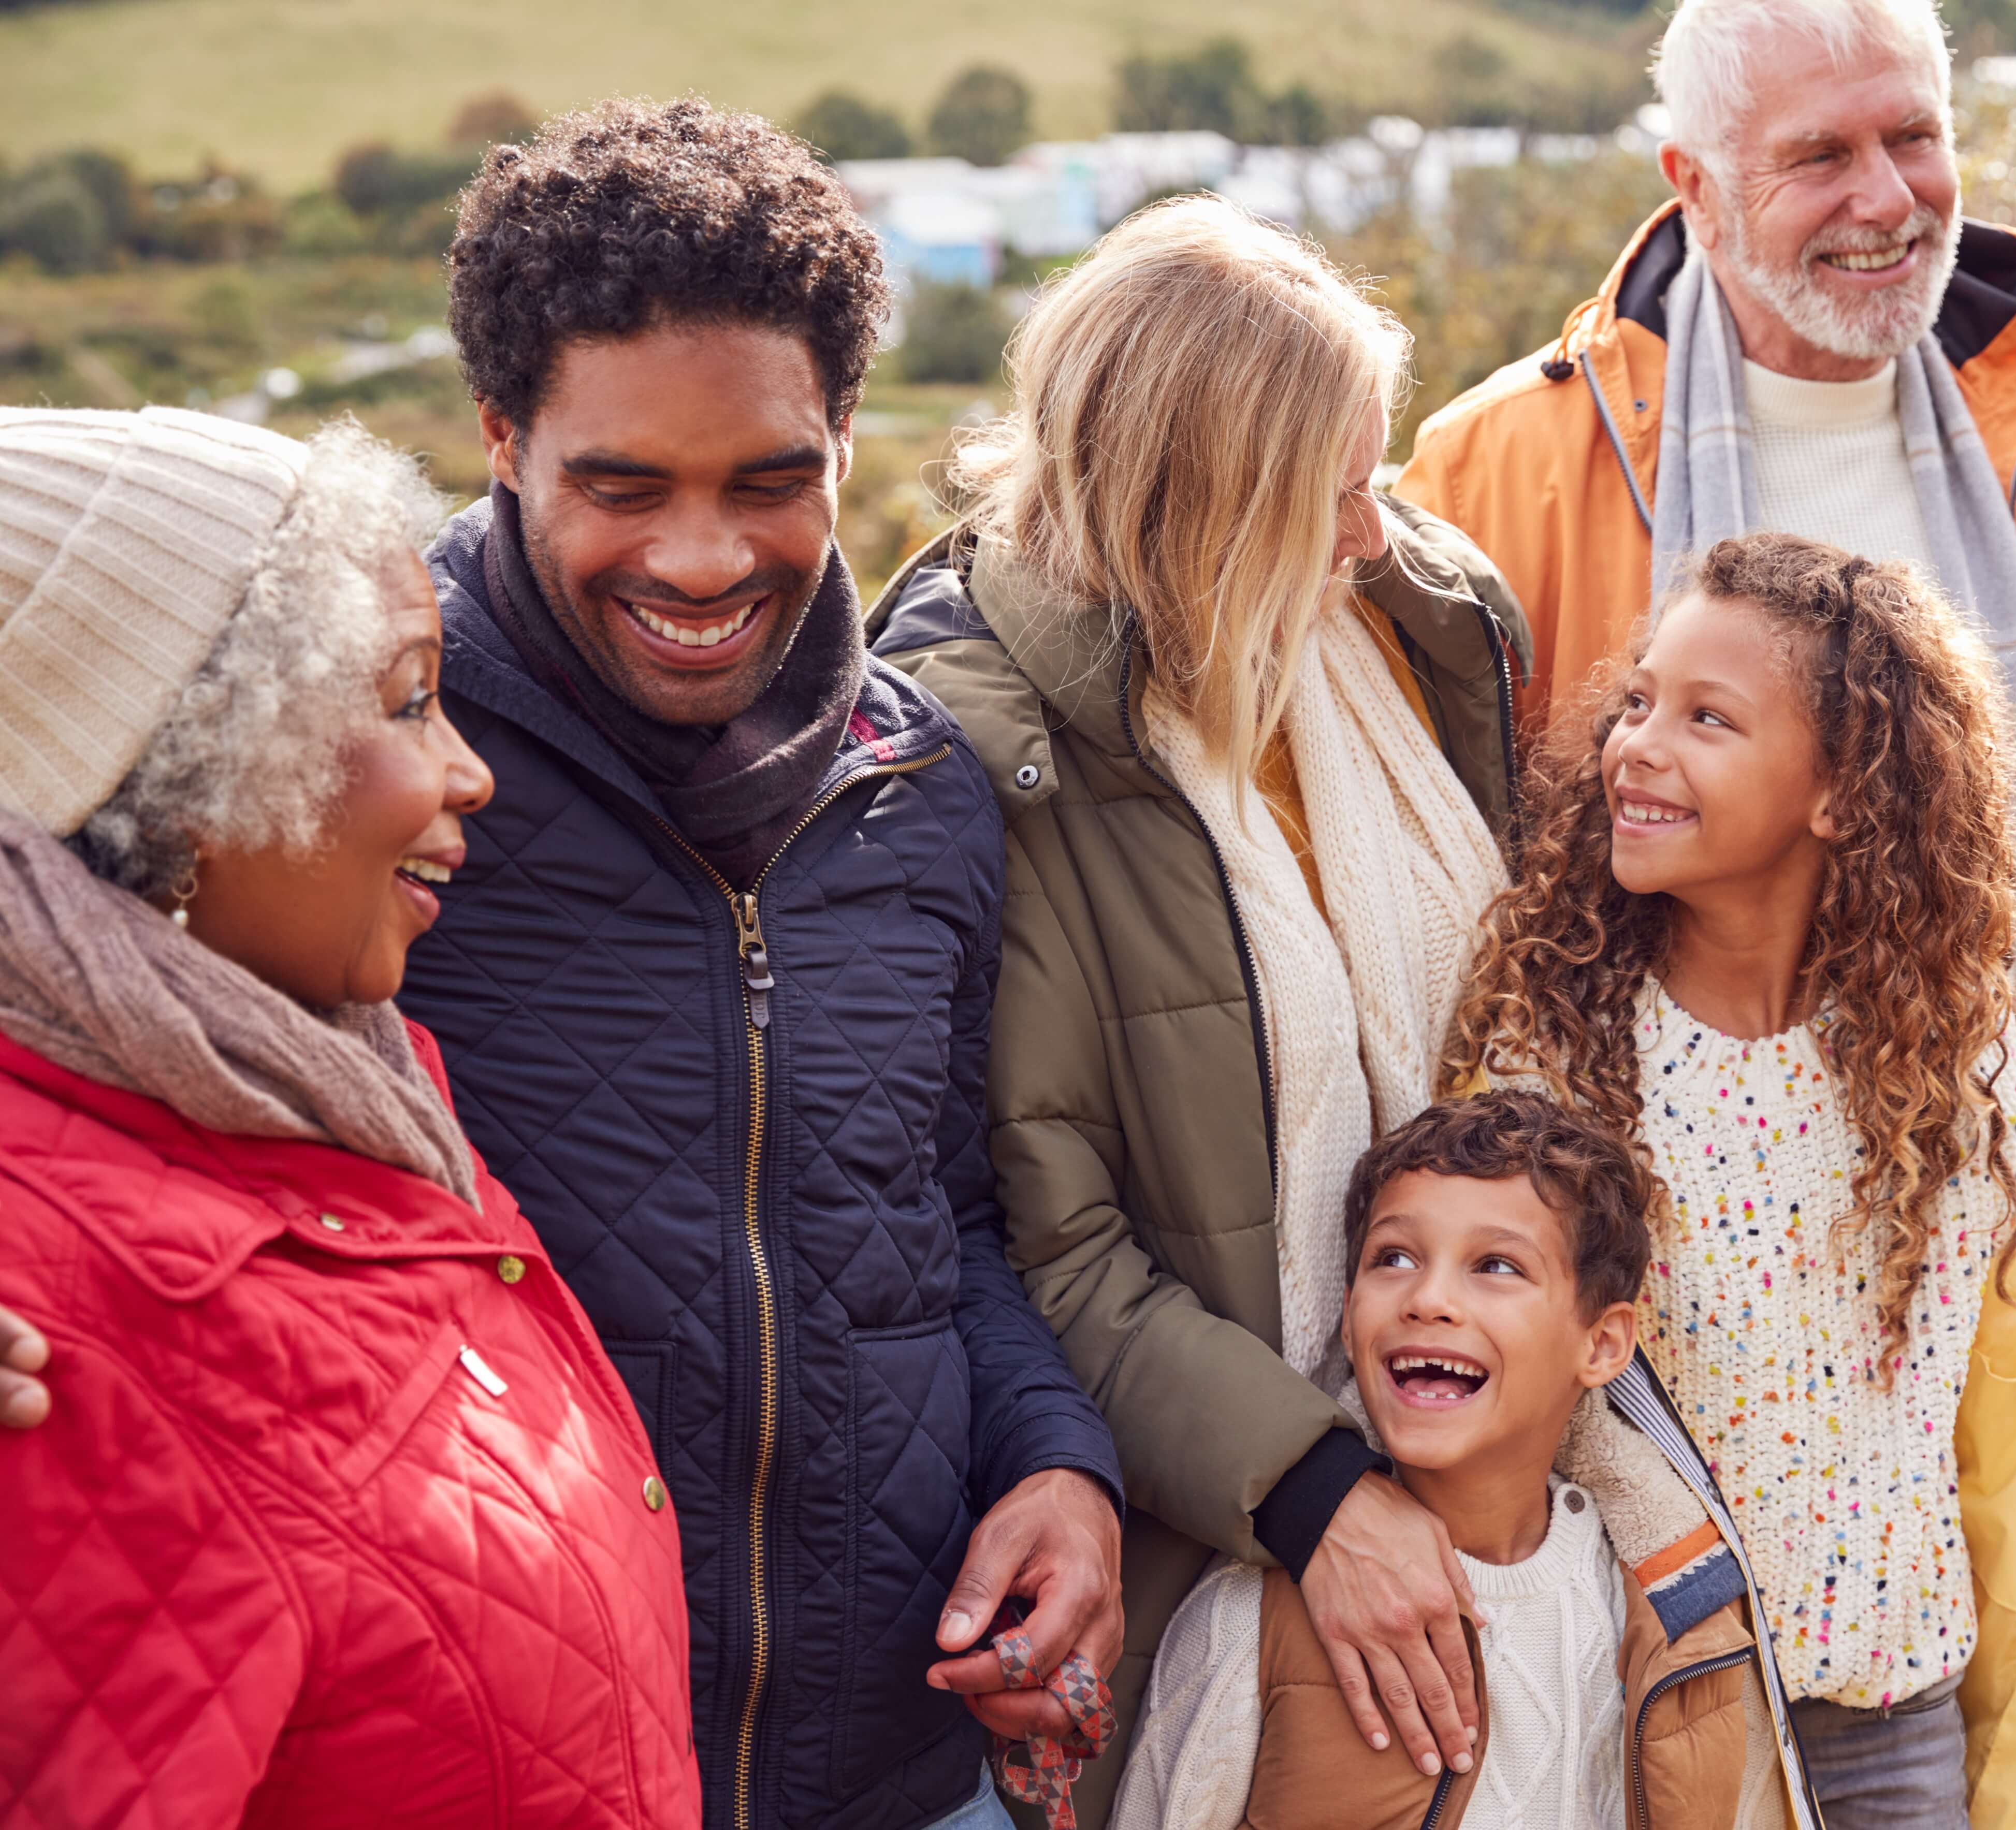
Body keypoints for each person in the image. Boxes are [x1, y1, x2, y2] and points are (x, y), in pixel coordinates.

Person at [1389, 0, 2016, 1818]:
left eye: (1913, 136)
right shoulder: (1505, 466)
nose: (1889, 197)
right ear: (1694, 186)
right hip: (1686, 1372)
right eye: (1819, 154)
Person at [401, 100, 1122, 1830]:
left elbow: (935, 1223)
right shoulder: (372, 775)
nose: (706, 558)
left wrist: (1058, 1466)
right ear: (503, 438)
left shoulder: (924, 789)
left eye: (771, 481)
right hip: (521, 1777)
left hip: (904, 1778)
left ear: (846, 436)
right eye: (622, 485)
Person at [862, 196, 1527, 1817]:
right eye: (1334, 491)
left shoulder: (1410, 628)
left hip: (1481, 1430)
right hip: (1199, 1525)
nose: (1377, 530)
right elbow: (1038, 1238)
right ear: (1200, 507)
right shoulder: (977, 750)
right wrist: (1309, 1491)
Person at [0, 408, 694, 1825]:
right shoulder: (41, 1324)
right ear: (175, 779)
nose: (467, 770)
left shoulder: (339, 1090)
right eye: (401, 700)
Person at [1439, 535, 2016, 1827]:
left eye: (1708, 718)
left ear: (1842, 790)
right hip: (1659, 1706)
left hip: (1891, 1718)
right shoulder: (1551, 1050)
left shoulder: (1950, 1051)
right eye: (1641, 699)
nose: (1638, 744)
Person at [1119, 1092, 1773, 1830]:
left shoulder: (1675, 1624)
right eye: (1393, 1257)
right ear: (1347, 1308)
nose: (1428, 1298)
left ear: (1602, 1345)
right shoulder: (1255, 1615)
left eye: (1495, 1265)